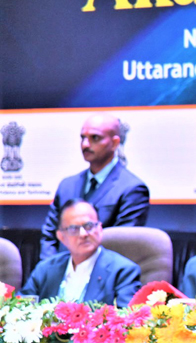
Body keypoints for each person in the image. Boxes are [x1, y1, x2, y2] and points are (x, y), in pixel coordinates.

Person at [40, 113, 150, 260]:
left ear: (115, 143)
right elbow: (49, 236)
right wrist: (51, 273)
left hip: (103, 277)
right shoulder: (67, 185)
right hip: (59, 274)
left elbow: (122, 246)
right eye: (82, 138)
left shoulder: (132, 189)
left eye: (95, 138)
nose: (85, 144)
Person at [20, 199, 141, 306]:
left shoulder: (123, 271)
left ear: (99, 228)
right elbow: (22, 311)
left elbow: (127, 322)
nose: (83, 234)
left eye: (89, 226)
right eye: (73, 228)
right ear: (61, 236)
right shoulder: (45, 269)